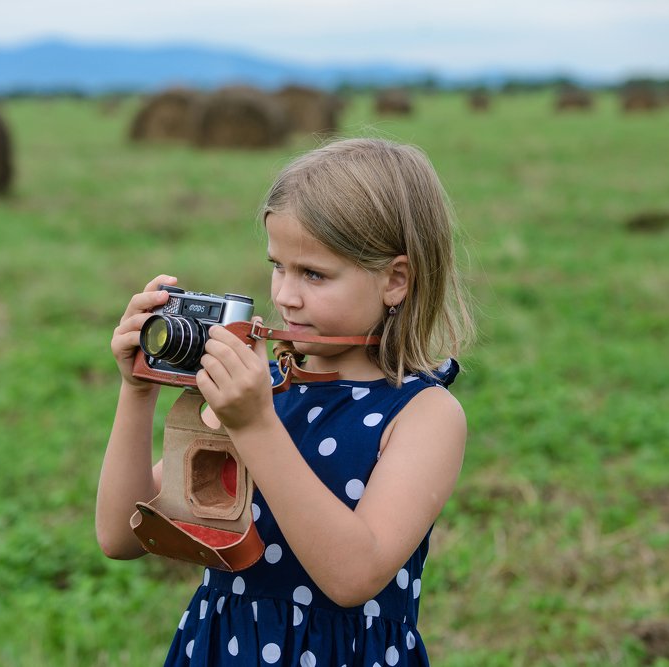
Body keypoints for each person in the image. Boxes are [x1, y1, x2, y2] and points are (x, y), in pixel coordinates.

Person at [96, 137, 475, 666]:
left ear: (395, 280)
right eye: (279, 266)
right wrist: (137, 389)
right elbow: (121, 535)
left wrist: (254, 426)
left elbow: (352, 577)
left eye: (314, 274)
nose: (285, 296)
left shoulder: (422, 414)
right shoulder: (264, 389)